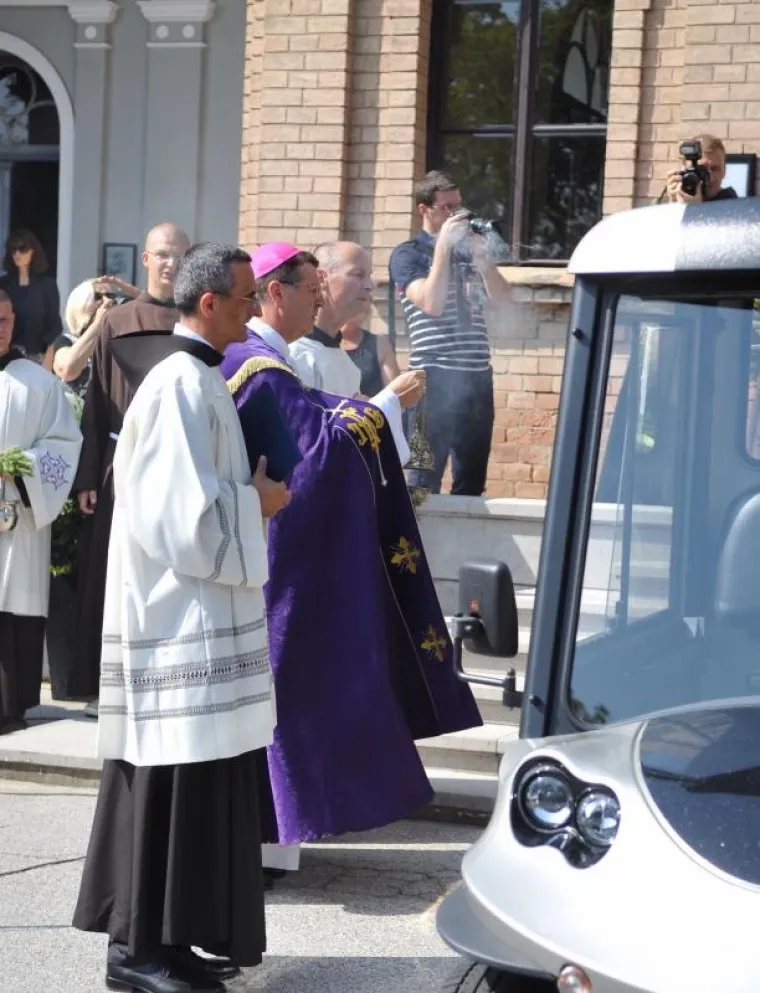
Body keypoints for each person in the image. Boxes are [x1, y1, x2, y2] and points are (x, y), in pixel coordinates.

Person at [220, 242, 482, 878]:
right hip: (273, 565)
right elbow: (313, 457)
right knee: (282, 694)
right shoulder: (257, 368)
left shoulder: (265, 362)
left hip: (275, 557)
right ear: (276, 292)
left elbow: (315, 427)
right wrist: (387, 406)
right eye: (310, 289)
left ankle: (273, 841)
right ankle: (264, 848)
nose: (319, 301)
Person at [72, 243, 290, 993]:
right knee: (165, 788)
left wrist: (249, 498)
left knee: (198, 787)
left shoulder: (202, 379)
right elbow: (177, 518)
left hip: (198, 624)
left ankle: (173, 939)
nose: (253, 310)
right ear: (208, 303)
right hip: (172, 630)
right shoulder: (176, 385)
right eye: (245, 297)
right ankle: (134, 952)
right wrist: (255, 502)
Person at [68, 222, 190, 711]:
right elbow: (96, 402)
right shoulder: (117, 321)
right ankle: (105, 684)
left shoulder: (194, 320)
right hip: (122, 464)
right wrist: (88, 476)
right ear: (146, 259)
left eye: (180, 256)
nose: (171, 264)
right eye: (163, 254)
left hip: (180, 466)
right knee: (113, 574)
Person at [389, 170, 510, 496]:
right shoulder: (408, 254)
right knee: (421, 484)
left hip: (477, 378)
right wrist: (443, 245)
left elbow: (503, 302)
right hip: (430, 380)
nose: (456, 215)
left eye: (459, 206)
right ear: (424, 209)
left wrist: (482, 257)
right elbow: (431, 302)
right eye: (446, 208)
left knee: (471, 484)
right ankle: (415, 532)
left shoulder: (468, 251)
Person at [0, 290, 82, 734]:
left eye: (4, 319)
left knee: (12, 605)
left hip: (17, 517)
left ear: (14, 321)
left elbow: (63, 445)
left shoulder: (39, 382)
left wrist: (21, 468)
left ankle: (10, 705)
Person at [288, 240, 425, 462]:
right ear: (322, 279)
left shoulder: (345, 362)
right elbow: (313, 443)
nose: (370, 286)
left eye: (369, 276)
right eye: (358, 275)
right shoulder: (295, 356)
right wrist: (391, 400)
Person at [53, 278, 134, 399]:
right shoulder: (67, 341)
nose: (108, 301)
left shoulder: (118, 343)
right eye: (98, 297)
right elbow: (67, 370)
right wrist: (99, 323)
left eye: (110, 295)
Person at [0, 229, 61, 368]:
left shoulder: (47, 285)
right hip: (7, 357)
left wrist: (48, 360)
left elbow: (55, 327)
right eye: (13, 249)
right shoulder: (3, 285)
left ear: (33, 251)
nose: (17, 254)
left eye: (22, 248)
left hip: (37, 357)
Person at [341, 307, 400, 397]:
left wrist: (370, 401)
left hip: (370, 405)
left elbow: (395, 395)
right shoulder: (320, 344)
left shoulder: (380, 344)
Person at [664, 134, 738, 204]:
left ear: (724, 171)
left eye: (715, 169)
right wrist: (673, 203)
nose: (710, 178)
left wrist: (695, 208)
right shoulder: (677, 196)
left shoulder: (731, 203)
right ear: (684, 170)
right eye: (702, 169)